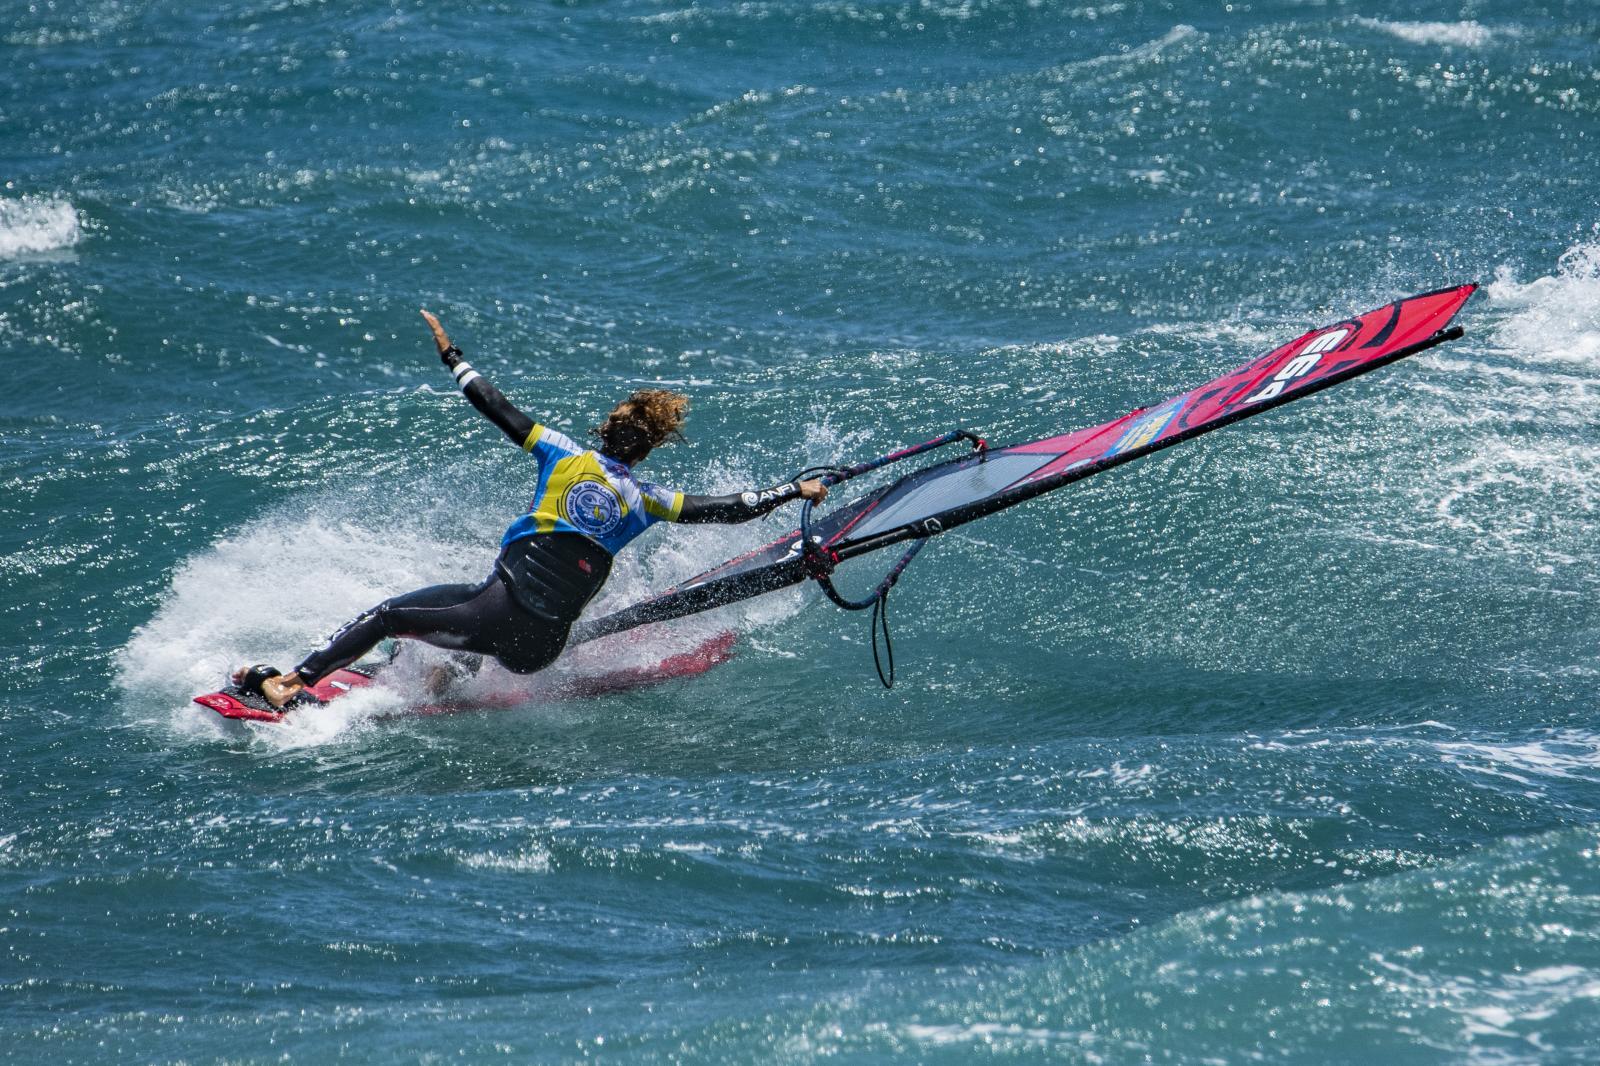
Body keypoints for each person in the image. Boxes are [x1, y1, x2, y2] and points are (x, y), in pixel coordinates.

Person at [234, 309, 827, 708]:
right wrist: (793, 492)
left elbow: (495, 406)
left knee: (396, 614)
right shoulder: (649, 500)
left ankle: (291, 683)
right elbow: (732, 508)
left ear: (606, 429)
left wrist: (452, 355)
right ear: (647, 449)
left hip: (498, 614)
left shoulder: (561, 453)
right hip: (539, 651)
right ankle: (441, 680)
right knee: (471, 626)